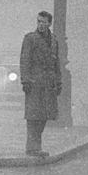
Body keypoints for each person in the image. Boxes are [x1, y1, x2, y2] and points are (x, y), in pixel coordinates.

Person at [19, 10, 61, 157]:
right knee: (33, 117)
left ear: (49, 23)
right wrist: (25, 80)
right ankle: (32, 148)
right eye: (38, 21)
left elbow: (57, 64)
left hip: (48, 84)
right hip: (34, 84)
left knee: (43, 116)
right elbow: (25, 61)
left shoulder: (54, 40)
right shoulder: (30, 39)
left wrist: (58, 82)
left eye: (43, 22)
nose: (40, 25)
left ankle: (36, 147)